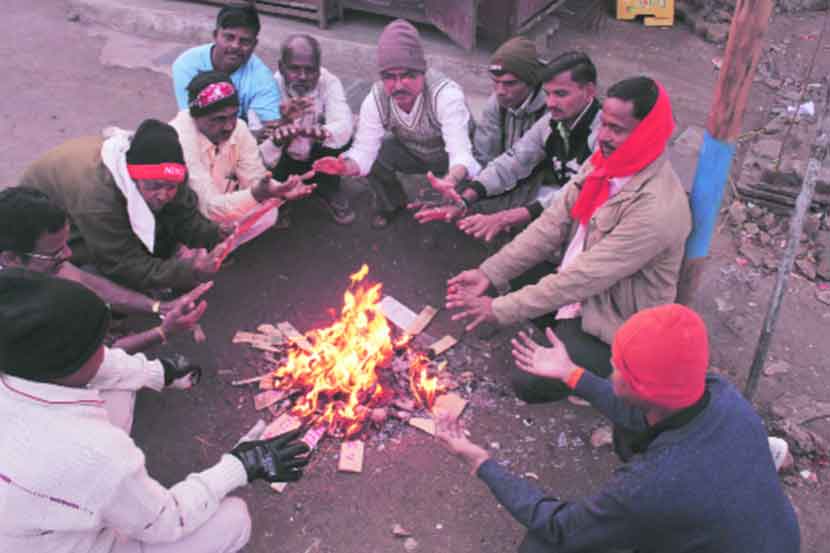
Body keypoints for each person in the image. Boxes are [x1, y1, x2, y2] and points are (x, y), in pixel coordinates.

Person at [436, 304, 801, 553]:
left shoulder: (652, 484)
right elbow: (637, 413)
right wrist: (571, 373)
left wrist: (480, 462)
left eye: (618, 368)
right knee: (633, 436)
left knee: (543, 546)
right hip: (770, 538)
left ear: (640, 389)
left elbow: (560, 528)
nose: (610, 371)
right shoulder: (722, 397)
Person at [0, 270, 311, 553]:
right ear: (70, 361)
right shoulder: (93, 452)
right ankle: (121, 502)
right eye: (99, 342)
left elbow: (99, 364)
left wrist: (157, 372)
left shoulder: (21, 362)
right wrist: (241, 465)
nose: (108, 347)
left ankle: (118, 501)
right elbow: (167, 521)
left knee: (121, 387)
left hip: (33, 515)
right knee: (233, 518)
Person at [446, 77, 691, 403]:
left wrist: (501, 309)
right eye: (603, 124)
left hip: (615, 321)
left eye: (617, 129)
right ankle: (567, 345)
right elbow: (551, 225)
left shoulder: (657, 209)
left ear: (647, 132)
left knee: (528, 383)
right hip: (582, 290)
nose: (603, 136)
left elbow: (583, 278)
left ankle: (608, 379)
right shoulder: (603, 163)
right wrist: (489, 272)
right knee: (511, 266)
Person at [19, 119, 234, 292]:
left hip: (83, 204)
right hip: (44, 222)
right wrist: (189, 271)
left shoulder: (167, 173)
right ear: (133, 177)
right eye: (155, 186)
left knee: (159, 228)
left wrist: (214, 234)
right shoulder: (98, 199)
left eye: (171, 187)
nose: (163, 194)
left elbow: (182, 214)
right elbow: (122, 263)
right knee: (104, 268)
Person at [416, 51, 601, 243]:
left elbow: (580, 193)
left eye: (561, 94)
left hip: (594, 215)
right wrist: (465, 199)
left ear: (589, 91)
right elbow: (513, 162)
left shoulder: (603, 134)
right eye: (548, 94)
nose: (551, 103)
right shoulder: (551, 122)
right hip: (558, 199)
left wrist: (506, 218)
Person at [313, 19, 481, 228]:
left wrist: (450, 181)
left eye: (408, 75)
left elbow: (460, 153)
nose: (399, 85)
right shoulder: (376, 98)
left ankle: (463, 204)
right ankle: (391, 204)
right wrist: (345, 167)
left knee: (467, 202)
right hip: (414, 153)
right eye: (389, 77)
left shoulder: (445, 94)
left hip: (452, 162)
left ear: (423, 71)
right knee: (377, 155)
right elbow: (364, 151)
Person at [0, 187, 211, 353]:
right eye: (55, 252)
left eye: (65, 245)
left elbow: (87, 282)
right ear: (11, 258)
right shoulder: (16, 313)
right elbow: (96, 363)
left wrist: (160, 307)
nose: (67, 254)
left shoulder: (27, 260)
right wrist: (163, 332)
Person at [170, 71, 315, 241]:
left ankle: (219, 248)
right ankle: (198, 252)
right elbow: (208, 207)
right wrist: (257, 194)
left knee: (268, 213)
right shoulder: (179, 139)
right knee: (204, 232)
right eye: (218, 119)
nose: (228, 127)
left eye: (233, 116)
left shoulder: (239, 127)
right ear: (196, 117)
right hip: (184, 215)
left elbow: (254, 177)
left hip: (217, 198)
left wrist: (279, 189)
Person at [264, 33, 355, 225]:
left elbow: (344, 124)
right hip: (283, 159)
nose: (303, 77)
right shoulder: (268, 87)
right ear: (281, 67)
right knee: (265, 146)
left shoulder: (329, 82)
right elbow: (261, 143)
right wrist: (282, 127)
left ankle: (328, 187)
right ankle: (279, 196)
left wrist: (322, 133)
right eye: (295, 69)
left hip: (317, 153)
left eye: (310, 70)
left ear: (319, 70)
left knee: (346, 137)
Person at [172, 4, 281, 133]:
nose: (235, 46)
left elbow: (269, 130)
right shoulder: (187, 65)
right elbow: (191, 121)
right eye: (229, 37)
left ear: (254, 44)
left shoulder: (263, 80)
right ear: (215, 35)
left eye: (245, 41)